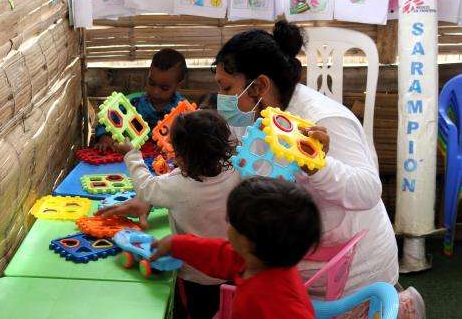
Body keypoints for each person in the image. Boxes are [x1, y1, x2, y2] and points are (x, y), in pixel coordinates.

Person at [214, 20, 402, 295]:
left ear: (259, 86)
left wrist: (318, 167)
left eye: (227, 88)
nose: (222, 98)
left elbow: (368, 191)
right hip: (290, 263)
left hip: (352, 275)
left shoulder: (322, 119)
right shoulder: (249, 115)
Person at [96, 110, 241, 319]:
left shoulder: (176, 185)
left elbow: (145, 187)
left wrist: (132, 155)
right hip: (230, 267)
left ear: (181, 157)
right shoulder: (235, 173)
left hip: (194, 276)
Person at [151, 177, 320, 319]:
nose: (228, 228)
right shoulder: (259, 260)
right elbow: (219, 255)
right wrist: (176, 244)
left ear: (246, 242)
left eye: (230, 222)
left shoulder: (271, 302)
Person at [95, 48, 187, 152]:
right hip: (130, 160)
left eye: (164, 88)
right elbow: (106, 121)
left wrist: (174, 143)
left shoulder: (183, 112)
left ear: (178, 86)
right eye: (151, 83)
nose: (156, 91)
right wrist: (105, 136)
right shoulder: (134, 103)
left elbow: (191, 137)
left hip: (168, 164)